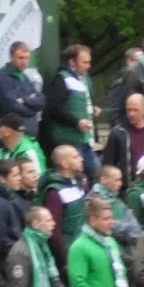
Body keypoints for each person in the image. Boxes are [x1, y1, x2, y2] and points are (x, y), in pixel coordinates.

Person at [42, 43, 100, 184]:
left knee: (95, 173)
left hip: (85, 139)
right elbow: (54, 108)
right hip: (69, 139)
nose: (88, 66)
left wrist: (92, 109)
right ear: (72, 62)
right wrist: (77, 122)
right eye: (84, 62)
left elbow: (84, 103)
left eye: (89, 62)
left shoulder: (85, 79)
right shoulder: (61, 79)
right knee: (79, 176)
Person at [36, 144, 88, 269]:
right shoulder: (54, 193)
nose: (81, 159)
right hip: (71, 255)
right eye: (75, 157)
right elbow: (54, 231)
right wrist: (65, 259)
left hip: (83, 249)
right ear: (65, 164)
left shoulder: (78, 184)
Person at [0, 41, 46, 134]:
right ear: (11, 57)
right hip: (13, 133)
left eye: (27, 58)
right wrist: (33, 110)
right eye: (20, 58)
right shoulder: (3, 77)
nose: (24, 62)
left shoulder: (25, 77)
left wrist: (25, 100)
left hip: (29, 133)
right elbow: (12, 106)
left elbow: (41, 100)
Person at [102, 93, 144, 183]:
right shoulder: (118, 133)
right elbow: (108, 164)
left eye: (135, 110)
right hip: (127, 187)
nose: (131, 114)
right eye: (129, 110)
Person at [104, 47, 142, 127]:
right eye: (139, 61)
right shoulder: (121, 83)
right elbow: (114, 112)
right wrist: (120, 131)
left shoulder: (140, 82)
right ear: (129, 61)